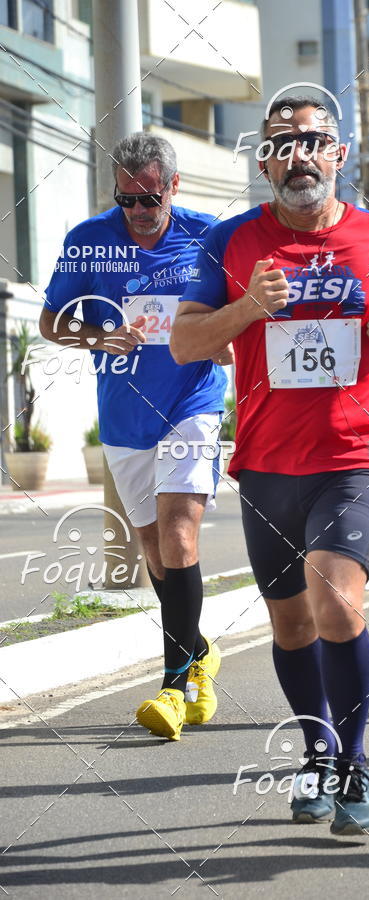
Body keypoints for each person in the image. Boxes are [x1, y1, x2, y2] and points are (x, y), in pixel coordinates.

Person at [171, 96, 369, 834]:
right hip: (266, 464)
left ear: (338, 154)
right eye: (282, 144)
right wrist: (246, 308)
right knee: (290, 625)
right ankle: (317, 751)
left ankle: (353, 764)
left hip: (354, 456)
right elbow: (185, 344)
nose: (299, 156)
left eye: (314, 142)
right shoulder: (230, 242)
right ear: (264, 162)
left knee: (336, 602)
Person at [40, 132, 227, 742]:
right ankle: (199, 652)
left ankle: (174, 689)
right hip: (124, 415)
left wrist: (227, 342)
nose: (140, 212)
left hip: (192, 403)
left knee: (178, 534)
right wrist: (98, 338)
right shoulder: (88, 242)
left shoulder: (208, 236)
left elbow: (243, 312)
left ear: (174, 186)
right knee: (154, 549)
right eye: (127, 200)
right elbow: (51, 323)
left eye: (151, 199)